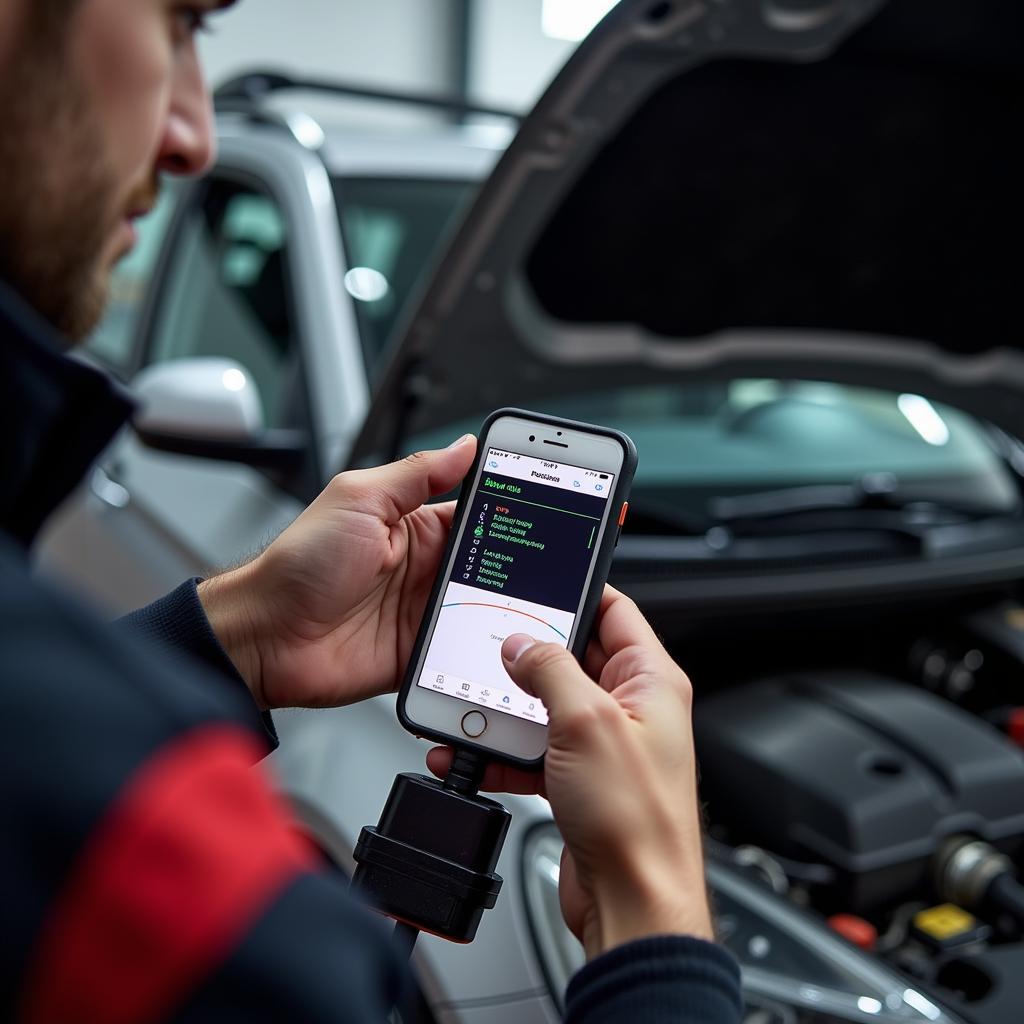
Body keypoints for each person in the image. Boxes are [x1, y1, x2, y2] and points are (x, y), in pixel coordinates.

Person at [0, 1, 741, 1021]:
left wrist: (243, 635)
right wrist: (654, 914)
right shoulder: (167, 885)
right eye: (179, 25)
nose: (193, 135)